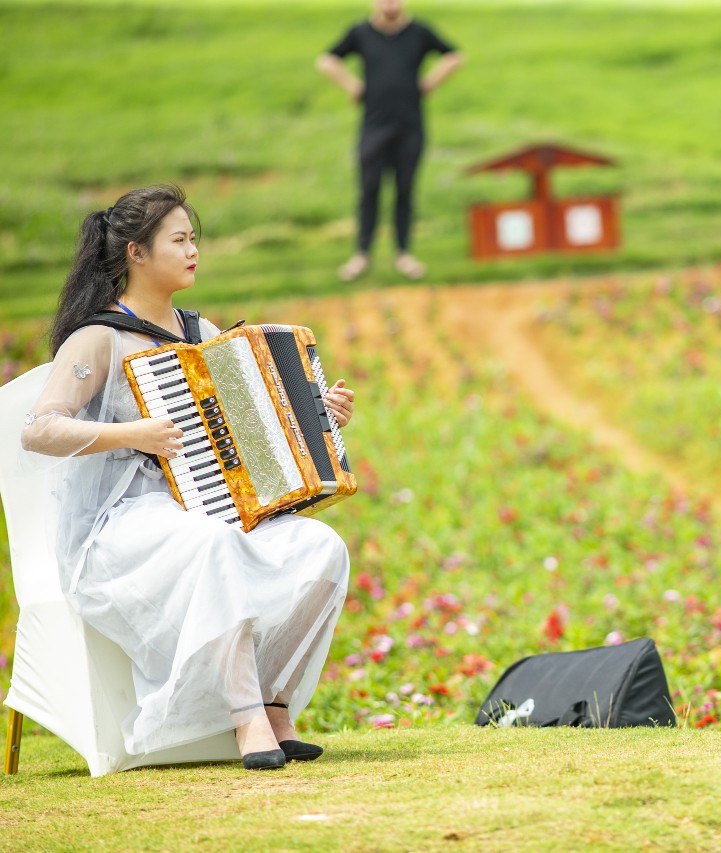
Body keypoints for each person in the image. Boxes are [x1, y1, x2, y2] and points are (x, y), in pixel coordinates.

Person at [20, 185, 356, 771]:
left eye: (193, 238)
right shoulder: (99, 337)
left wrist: (318, 413)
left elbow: (246, 427)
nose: (194, 250)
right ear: (136, 253)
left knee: (321, 546)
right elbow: (40, 430)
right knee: (215, 544)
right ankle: (245, 719)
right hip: (119, 525)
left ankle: (276, 710)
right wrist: (131, 435)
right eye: (180, 240)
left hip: (201, 510)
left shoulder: (200, 332)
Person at [317, 0, 465, 282]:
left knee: (405, 190)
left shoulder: (419, 31)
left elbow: (454, 56)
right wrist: (352, 86)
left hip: (410, 125)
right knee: (369, 190)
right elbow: (327, 59)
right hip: (374, 126)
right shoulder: (361, 32)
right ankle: (361, 255)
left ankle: (404, 254)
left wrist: (430, 82)